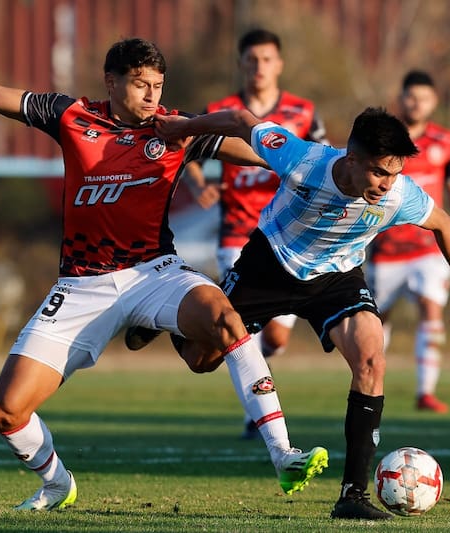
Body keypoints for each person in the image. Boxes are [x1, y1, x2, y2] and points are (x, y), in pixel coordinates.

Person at [0, 38, 327, 510]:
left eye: (158, 84)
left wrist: (322, 167)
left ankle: (283, 454)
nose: (152, 95)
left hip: (155, 272)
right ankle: (57, 484)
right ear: (111, 82)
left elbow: (267, 154)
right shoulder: (71, 116)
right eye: (140, 84)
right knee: (6, 411)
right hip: (82, 284)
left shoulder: (176, 129)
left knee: (226, 320)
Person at [147, 106, 450, 520]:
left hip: (336, 278)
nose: (387, 184)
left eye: (395, 174)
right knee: (200, 360)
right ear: (351, 158)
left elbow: (444, 223)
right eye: (379, 172)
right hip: (269, 266)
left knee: (372, 359)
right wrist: (185, 127)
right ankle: (171, 309)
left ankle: (352, 496)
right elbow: (240, 120)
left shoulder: (400, 194)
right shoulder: (303, 160)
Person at [176, 28, 329, 440]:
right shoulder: (220, 110)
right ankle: (258, 417)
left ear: (279, 64)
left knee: (274, 336)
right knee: (240, 329)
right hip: (237, 234)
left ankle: (253, 365)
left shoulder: (303, 112)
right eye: (252, 59)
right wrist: (198, 183)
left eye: (266, 59)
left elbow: (324, 163)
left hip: (288, 236)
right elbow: (184, 143)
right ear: (241, 64)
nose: (259, 66)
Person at [366, 70, 450, 414]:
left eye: (424, 98)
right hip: (387, 249)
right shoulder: (386, 141)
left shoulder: (445, 141)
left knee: (431, 309)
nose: (417, 103)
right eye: (411, 97)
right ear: (401, 99)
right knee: (376, 320)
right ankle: (369, 381)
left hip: (428, 248)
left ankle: (426, 391)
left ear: (434, 101)